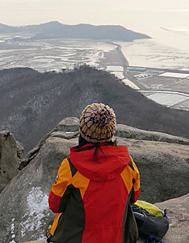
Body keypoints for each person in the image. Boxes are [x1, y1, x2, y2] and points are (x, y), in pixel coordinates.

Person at [47, 103, 141, 243]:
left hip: (77, 239)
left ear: (82, 131)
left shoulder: (71, 166)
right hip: (118, 238)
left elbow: (55, 205)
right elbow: (134, 198)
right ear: (111, 132)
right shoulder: (128, 164)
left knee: (53, 225)